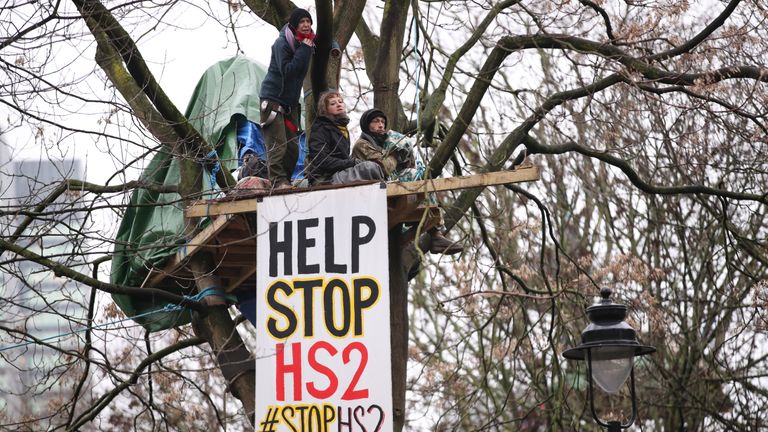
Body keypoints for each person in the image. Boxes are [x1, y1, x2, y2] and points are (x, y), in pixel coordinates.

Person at [352, 109, 463, 255]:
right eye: (375, 122)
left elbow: (404, 168)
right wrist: (396, 153)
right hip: (367, 194)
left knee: (419, 175)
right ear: (367, 125)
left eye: (382, 122)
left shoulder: (384, 142)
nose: (380, 125)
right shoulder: (362, 144)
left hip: (384, 189)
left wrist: (404, 152)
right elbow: (384, 168)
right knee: (411, 176)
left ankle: (435, 234)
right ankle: (434, 235)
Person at [259, 8, 315, 190]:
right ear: (294, 25)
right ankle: (277, 181)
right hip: (273, 100)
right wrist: (305, 49)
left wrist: (307, 48)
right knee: (278, 144)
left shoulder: (306, 43)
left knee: (293, 149)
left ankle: (285, 180)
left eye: (308, 21)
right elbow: (288, 71)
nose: (306, 25)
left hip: (290, 104)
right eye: (302, 22)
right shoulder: (282, 43)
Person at [307, 91, 384, 185]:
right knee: (369, 168)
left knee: (371, 167)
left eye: (340, 102)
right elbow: (321, 160)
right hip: (324, 178)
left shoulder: (342, 128)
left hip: (338, 174)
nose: (338, 105)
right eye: (333, 103)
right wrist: (352, 162)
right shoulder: (320, 128)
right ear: (325, 109)